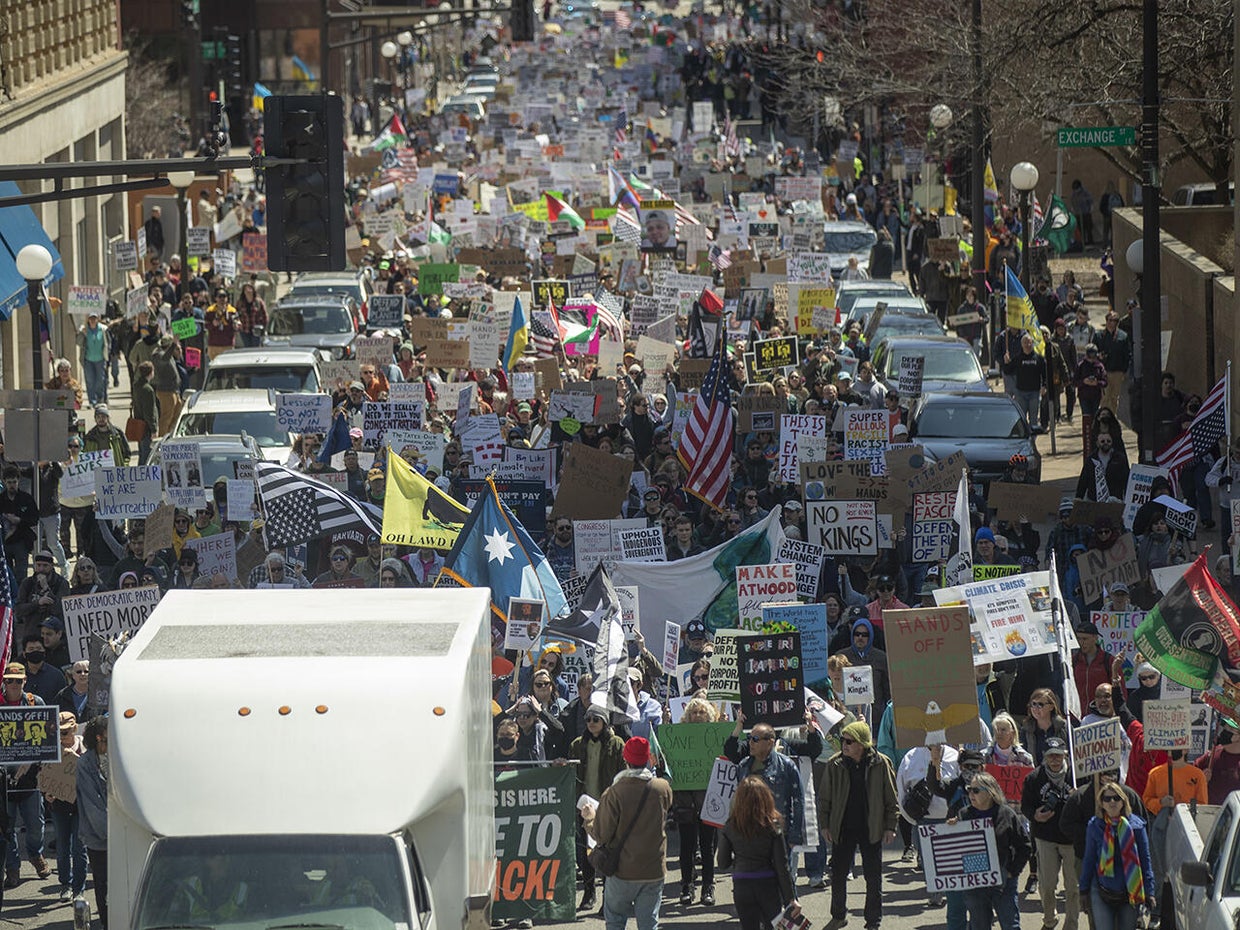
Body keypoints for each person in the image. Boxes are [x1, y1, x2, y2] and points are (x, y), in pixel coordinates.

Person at [581, 737, 674, 930]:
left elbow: (601, 835)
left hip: (623, 870)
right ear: (648, 758)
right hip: (653, 868)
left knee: (615, 921)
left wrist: (589, 818)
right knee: (649, 923)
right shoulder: (663, 788)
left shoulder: (615, 792)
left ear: (625, 759)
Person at [818, 721, 898, 930]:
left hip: (871, 828)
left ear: (861, 744)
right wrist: (825, 825)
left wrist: (890, 826)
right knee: (838, 875)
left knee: (873, 878)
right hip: (842, 828)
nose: (844, 745)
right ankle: (838, 915)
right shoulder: (835, 764)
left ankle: (873, 921)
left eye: (849, 741)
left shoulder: (881, 763)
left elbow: (891, 798)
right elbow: (824, 798)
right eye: (843, 740)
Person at [717, 775, 802, 930]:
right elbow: (782, 865)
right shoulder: (773, 825)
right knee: (777, 926)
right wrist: (790, 898)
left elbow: (722, 863)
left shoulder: (730, 826)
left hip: (742, 884)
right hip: (767, 884)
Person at [570, 703, 626, 912]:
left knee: (607, 854)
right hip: (584, 805)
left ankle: (607, 898)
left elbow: (623, 773)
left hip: (608, 806)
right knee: (586, 853)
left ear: (604, 721)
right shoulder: (577, 744)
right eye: (588, 720)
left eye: (596, 719)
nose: (591, 723)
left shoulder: (617, 743)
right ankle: (588, 893)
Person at [958, 771, 1030, 930]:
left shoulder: (1006, 814)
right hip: (975, 882)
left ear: (990, 793)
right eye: (969, 789)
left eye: (976, 790)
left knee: (1010, 925)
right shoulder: (963, 815)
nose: (971, 794)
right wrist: (952, 829)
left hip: (1003, 881)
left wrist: (1013, 872)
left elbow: (1024, 846)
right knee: (979, 925)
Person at [1078, 785, 1156, 930]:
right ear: (1101, 803)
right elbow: (1088, 859)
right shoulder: (1094, 826)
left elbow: (1145, 861)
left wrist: (1150, 892)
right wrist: (1083, 890)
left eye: (1116, 798)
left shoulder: (1136, 827)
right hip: (1102, 890)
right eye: (1107, 798)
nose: (1112, 802)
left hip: (1129, 893)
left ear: (1123, 801)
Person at [1021, 737, 1079, 929]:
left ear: (1065, 755)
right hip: (1045, 837)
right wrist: (1035, 815)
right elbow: (1025, 806)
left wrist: (1077, 797)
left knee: (1073, 887)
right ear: (1044, 757)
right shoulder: (1034, 778)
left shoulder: (1076, 776)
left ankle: (1071, 924)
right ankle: (1049, 920)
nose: (1054, 760)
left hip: (1071, 840)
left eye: (1058, 755)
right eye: (1050, 756)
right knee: (1047, 886)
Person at [1, 662, 48, 889]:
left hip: (30, 777)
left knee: (35, 825)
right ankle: (12, 867)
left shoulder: (34, 702)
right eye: (9, 680)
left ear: (24, 681)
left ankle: (35, 853)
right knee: (6, 827)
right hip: (3, 779)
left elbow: (46, 737)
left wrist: (31, 761)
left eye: (17, 680)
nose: (13, 684)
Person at [672, 698, 720, 907]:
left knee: (707, 847)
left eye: (702, 712)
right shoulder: (679, 737)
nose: (698, 716)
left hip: (708, 801)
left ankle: (708, 886)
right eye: (694, 712)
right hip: (685, 800)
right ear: (687, 716)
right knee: (687, 846)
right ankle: (687, 886)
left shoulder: (714, 736)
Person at [39, 711, 89, 902]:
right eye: (59, 733)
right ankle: (65, 885)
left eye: (66, 732)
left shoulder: (85, 746)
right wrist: (47, 794)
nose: (62, 737)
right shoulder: (51, 749)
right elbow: (43, 774)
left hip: (81, 806)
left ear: (75, 729)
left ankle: (79, 888)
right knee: (62, 847)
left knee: (79, 847)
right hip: (59, 805)